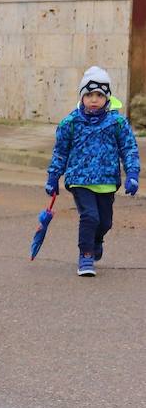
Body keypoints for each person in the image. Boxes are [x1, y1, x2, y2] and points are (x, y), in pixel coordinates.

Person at [45, 67, 140, 277]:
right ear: (82, 96)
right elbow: (60, 152)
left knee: (105, 222)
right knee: (90, 216)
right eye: (89, 95)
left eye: (99, 95)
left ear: (107, 97)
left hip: (106, 180)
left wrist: (132, 175)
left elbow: (129, 149)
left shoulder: (117, 122)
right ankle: (86, 255)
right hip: (79, 179)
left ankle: (96, 240)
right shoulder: (70, 123)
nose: (94, 99)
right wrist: (53, 176)